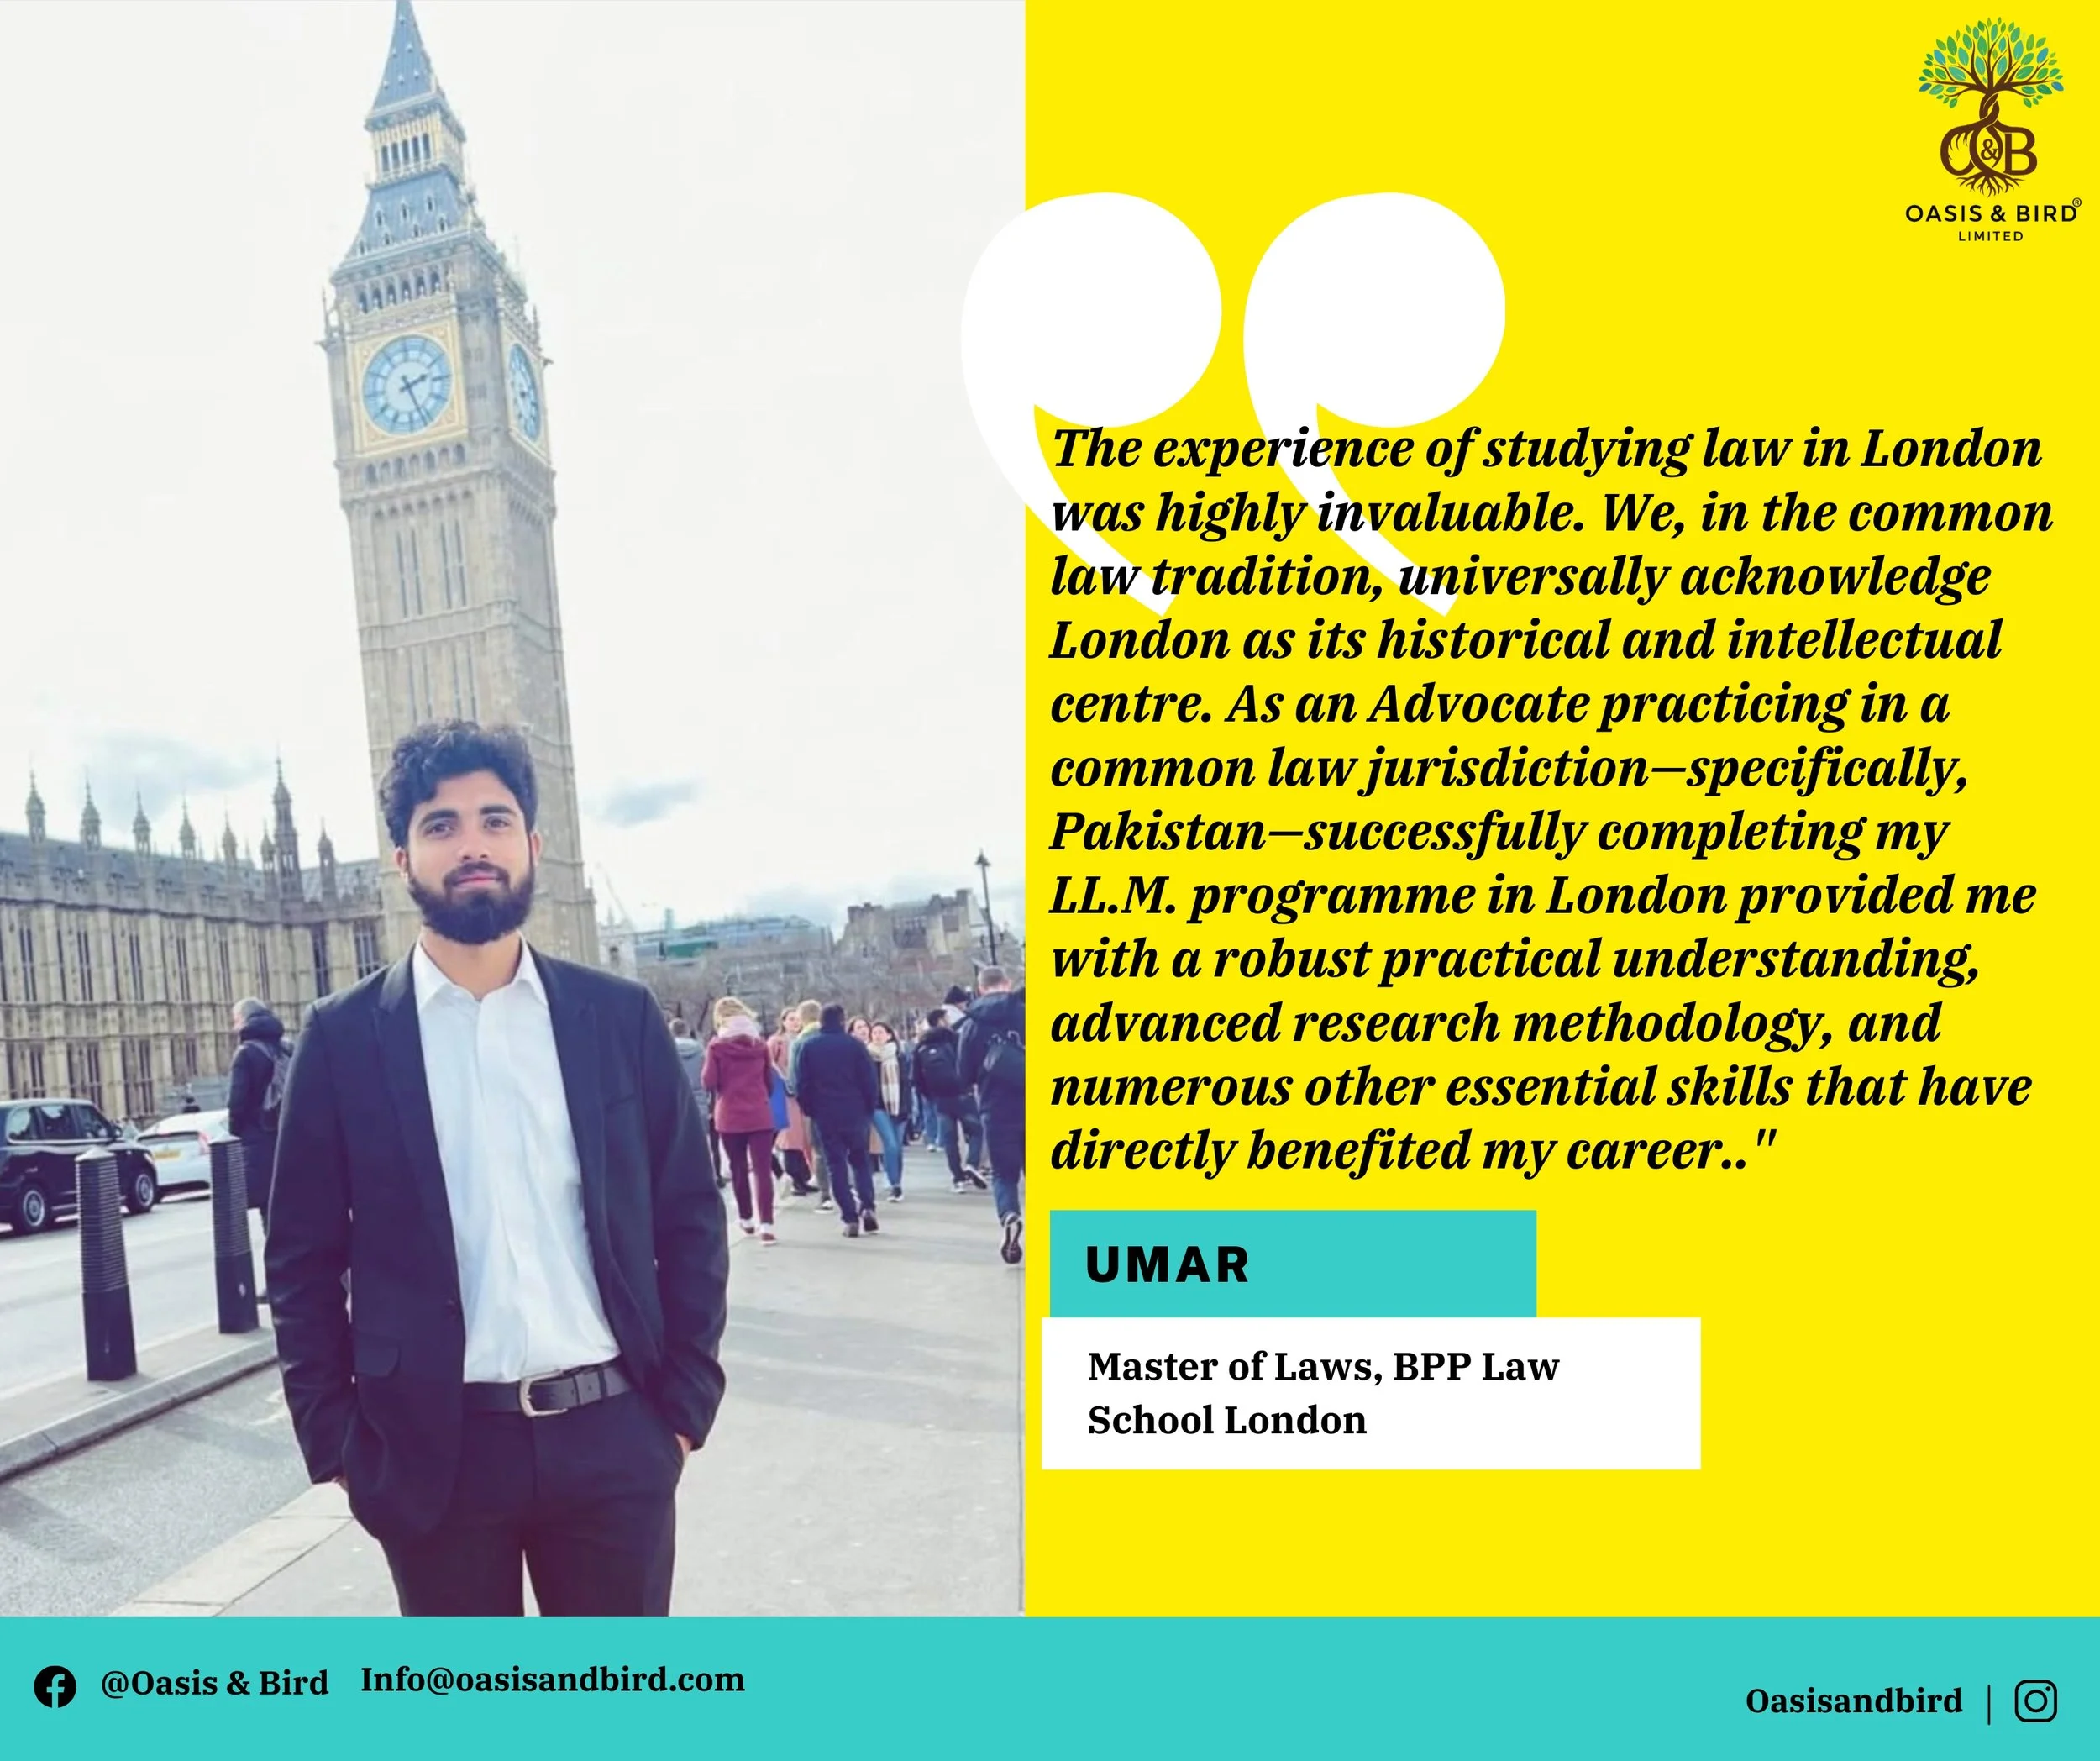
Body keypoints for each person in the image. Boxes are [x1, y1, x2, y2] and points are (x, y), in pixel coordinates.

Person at [265, 719, 728, 1618]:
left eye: (494, 819)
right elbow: (301, 1260)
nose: (471, 844)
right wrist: (339, 1446)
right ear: (402, 858)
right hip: (432, 1456)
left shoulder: (618, 1017)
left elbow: (690, 1217)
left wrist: (682, 1407)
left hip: (614, 1435)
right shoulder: (342, 1037)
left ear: (533, 845)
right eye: (440, 825)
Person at [795, 1002, 882, 1237]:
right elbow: (869, 1081)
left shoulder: (809, 1047)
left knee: (836, 1165)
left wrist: (810, 1110)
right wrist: (868, 1107)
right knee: (861, 1161)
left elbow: (802, 1084)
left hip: (825, 1113)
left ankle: (850, 1218)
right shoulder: (855, 1046)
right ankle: (868, 1206)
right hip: (855, 1111)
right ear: (842, 1021)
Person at [958, 965, 1026, 1264]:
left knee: (1003, 1173)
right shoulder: (1027, 1013)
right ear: (1007, 984)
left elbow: (963, 1074)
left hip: (995, 1108)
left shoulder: (971, 1025)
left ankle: (1009, 1214)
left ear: (981, 988)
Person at [701, 996, 778, 1243]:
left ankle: (746, 1219)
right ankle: (767, 1224)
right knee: (763, 1170)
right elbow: (770, 1083)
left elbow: (709, 1081)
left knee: (738, 1168)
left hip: (730, 1115)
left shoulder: (716, 1047)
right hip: (760, 1113)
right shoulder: (760, 1045)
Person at [227, 997, 291, 1226]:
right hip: (292, 1138)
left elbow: (237, 1104)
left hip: (261, 1140)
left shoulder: (246, 1054)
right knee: (294, 1205)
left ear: (245, 1020)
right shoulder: (288, 1048)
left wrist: (236, 1133)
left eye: (235, 1020)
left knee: (269, 1209)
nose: (233, 1026)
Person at [914, 1007, 985, 1193]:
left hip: (941, 1100)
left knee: (950, 1141)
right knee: (977, 1131)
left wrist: (930, 1096)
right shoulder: (955, 1039)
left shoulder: (921, 1046)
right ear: (941, 1021)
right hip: (962, 1095)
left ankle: (957, 1179)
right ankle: (972, 1163)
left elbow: (917, 1078)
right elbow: (969, 1064)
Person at [768, 1007, 819, 1197]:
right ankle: (795, 1178)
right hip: (783, 1093)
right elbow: (768, 1064)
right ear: (783, 1022)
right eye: (791, 1019)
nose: (795, 1023)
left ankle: (803, 1176)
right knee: (791, 1136)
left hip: (800, 1093)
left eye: (797, 1019)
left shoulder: (803, 1040)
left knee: (803, 1137)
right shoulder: (777, 1042)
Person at [866, 1020, 910, 1200]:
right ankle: (894, 1185)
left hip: (898, 1105)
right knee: (890, 1144)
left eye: (881, 1032)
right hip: (878, 1106)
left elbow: (906, 1083)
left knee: (897, 1148)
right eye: (874, 1033)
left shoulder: (899, 1056)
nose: (877, 1036)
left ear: (889, 1035)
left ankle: (897, 1180)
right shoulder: (867, 1056)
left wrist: (907, 1107)